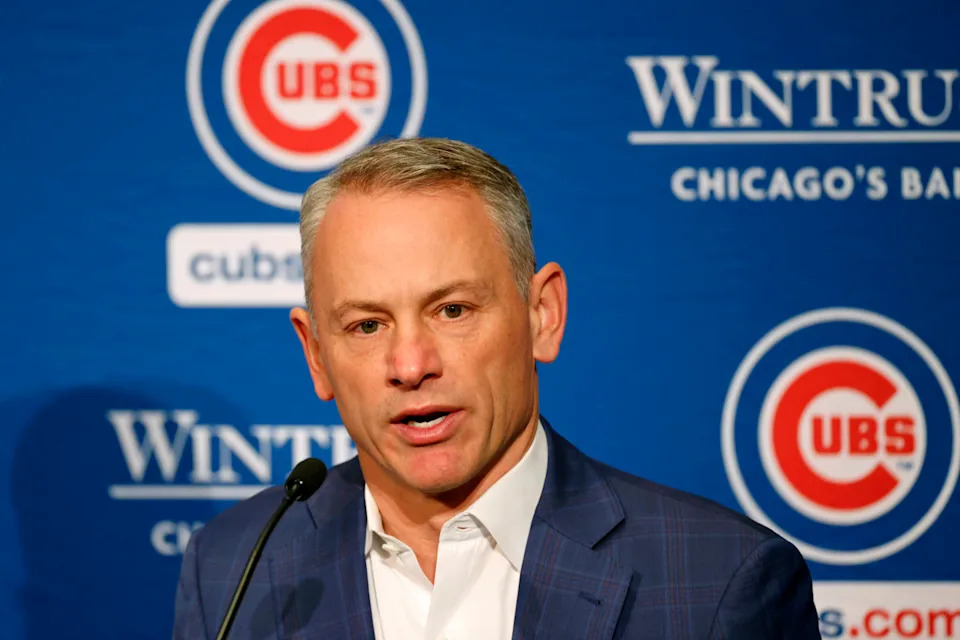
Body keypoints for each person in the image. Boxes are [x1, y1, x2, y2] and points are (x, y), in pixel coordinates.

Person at [173, 138, 822, 639]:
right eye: (367, 325)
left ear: (543, 314)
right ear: (316, 355)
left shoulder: (719, 580)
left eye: (452, 310)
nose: (410, 363)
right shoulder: (233, 569)